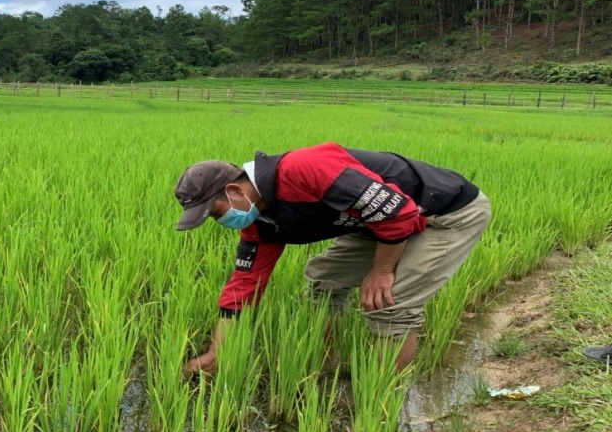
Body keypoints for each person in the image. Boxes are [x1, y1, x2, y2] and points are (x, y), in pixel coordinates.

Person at [174, 142, 491, 373]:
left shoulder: (304, 169)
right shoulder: (259, 223)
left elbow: (397, 211)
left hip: (446, 213)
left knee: (391, 300)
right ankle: (323, 365)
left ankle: (376, 404)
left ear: (234, 190)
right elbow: (244, 286)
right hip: (380, 224)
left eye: (216, 213)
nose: (221, 222)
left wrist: (382, 270)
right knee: (323, 278)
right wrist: (218, 351)